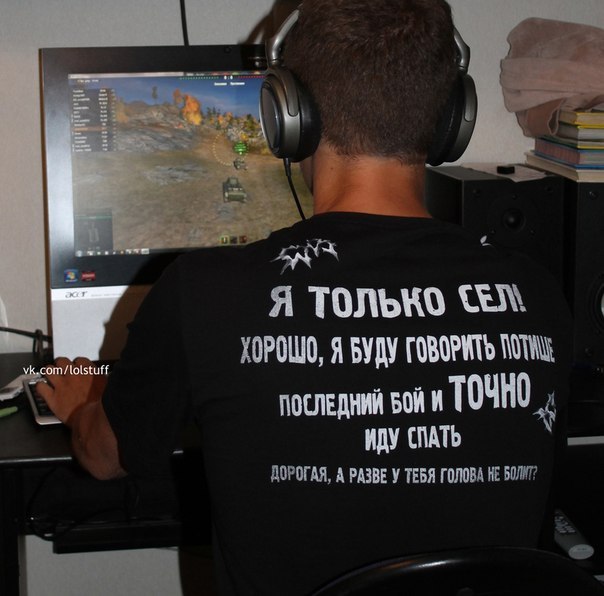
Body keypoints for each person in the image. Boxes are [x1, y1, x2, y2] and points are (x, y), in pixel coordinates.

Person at [39, 0, 573, 594]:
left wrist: (82, 407)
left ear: (289, 117)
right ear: (451, 118)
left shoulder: (204, 296)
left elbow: (105, 458)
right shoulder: (537, 297)